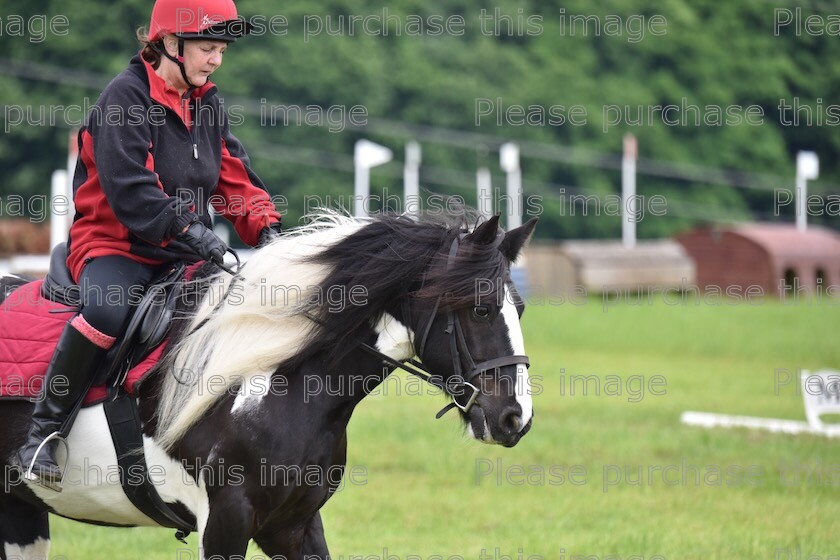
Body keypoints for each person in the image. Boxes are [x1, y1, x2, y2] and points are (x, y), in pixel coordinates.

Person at [17, 0, 281, 491]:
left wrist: (266, 229)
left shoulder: (207, 104)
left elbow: (232, 177)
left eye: (221, 49)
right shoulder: (124, 98)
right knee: (107, 313)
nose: (216, 59)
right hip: (114, 246)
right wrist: (197, 234)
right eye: (207, 47)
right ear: (170, 44)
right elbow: (132, 191)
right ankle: (42, 435)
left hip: (181, 254)